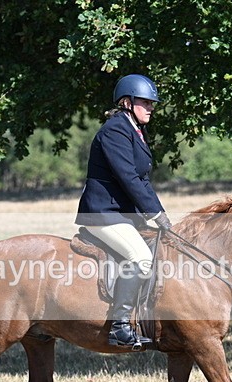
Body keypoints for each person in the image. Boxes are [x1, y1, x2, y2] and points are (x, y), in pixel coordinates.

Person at [75, 74, 173, 348]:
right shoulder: (115, 130)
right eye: (146, 102)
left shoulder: (135, 130)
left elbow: (142, 180)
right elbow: (128, 177)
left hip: (122, 214)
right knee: (140, 257)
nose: (151, 107)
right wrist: (154, 213)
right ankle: (120, 327)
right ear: (127, 102)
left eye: (152, 103)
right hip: (103, 213)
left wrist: (159, 213)